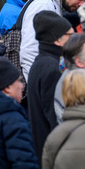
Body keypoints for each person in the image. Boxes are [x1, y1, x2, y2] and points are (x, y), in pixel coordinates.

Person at [17, 0, 85, 79]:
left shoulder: (51, 3)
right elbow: (29, 51)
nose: (81, 5)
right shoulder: (44, 4)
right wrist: (37, 86)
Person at [27, 11, 74, 159]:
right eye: (70, 36)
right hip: (53, 152)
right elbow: (54, 115)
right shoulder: (52, 68)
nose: (75, 39)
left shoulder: (44, 62)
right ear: (57, 40)